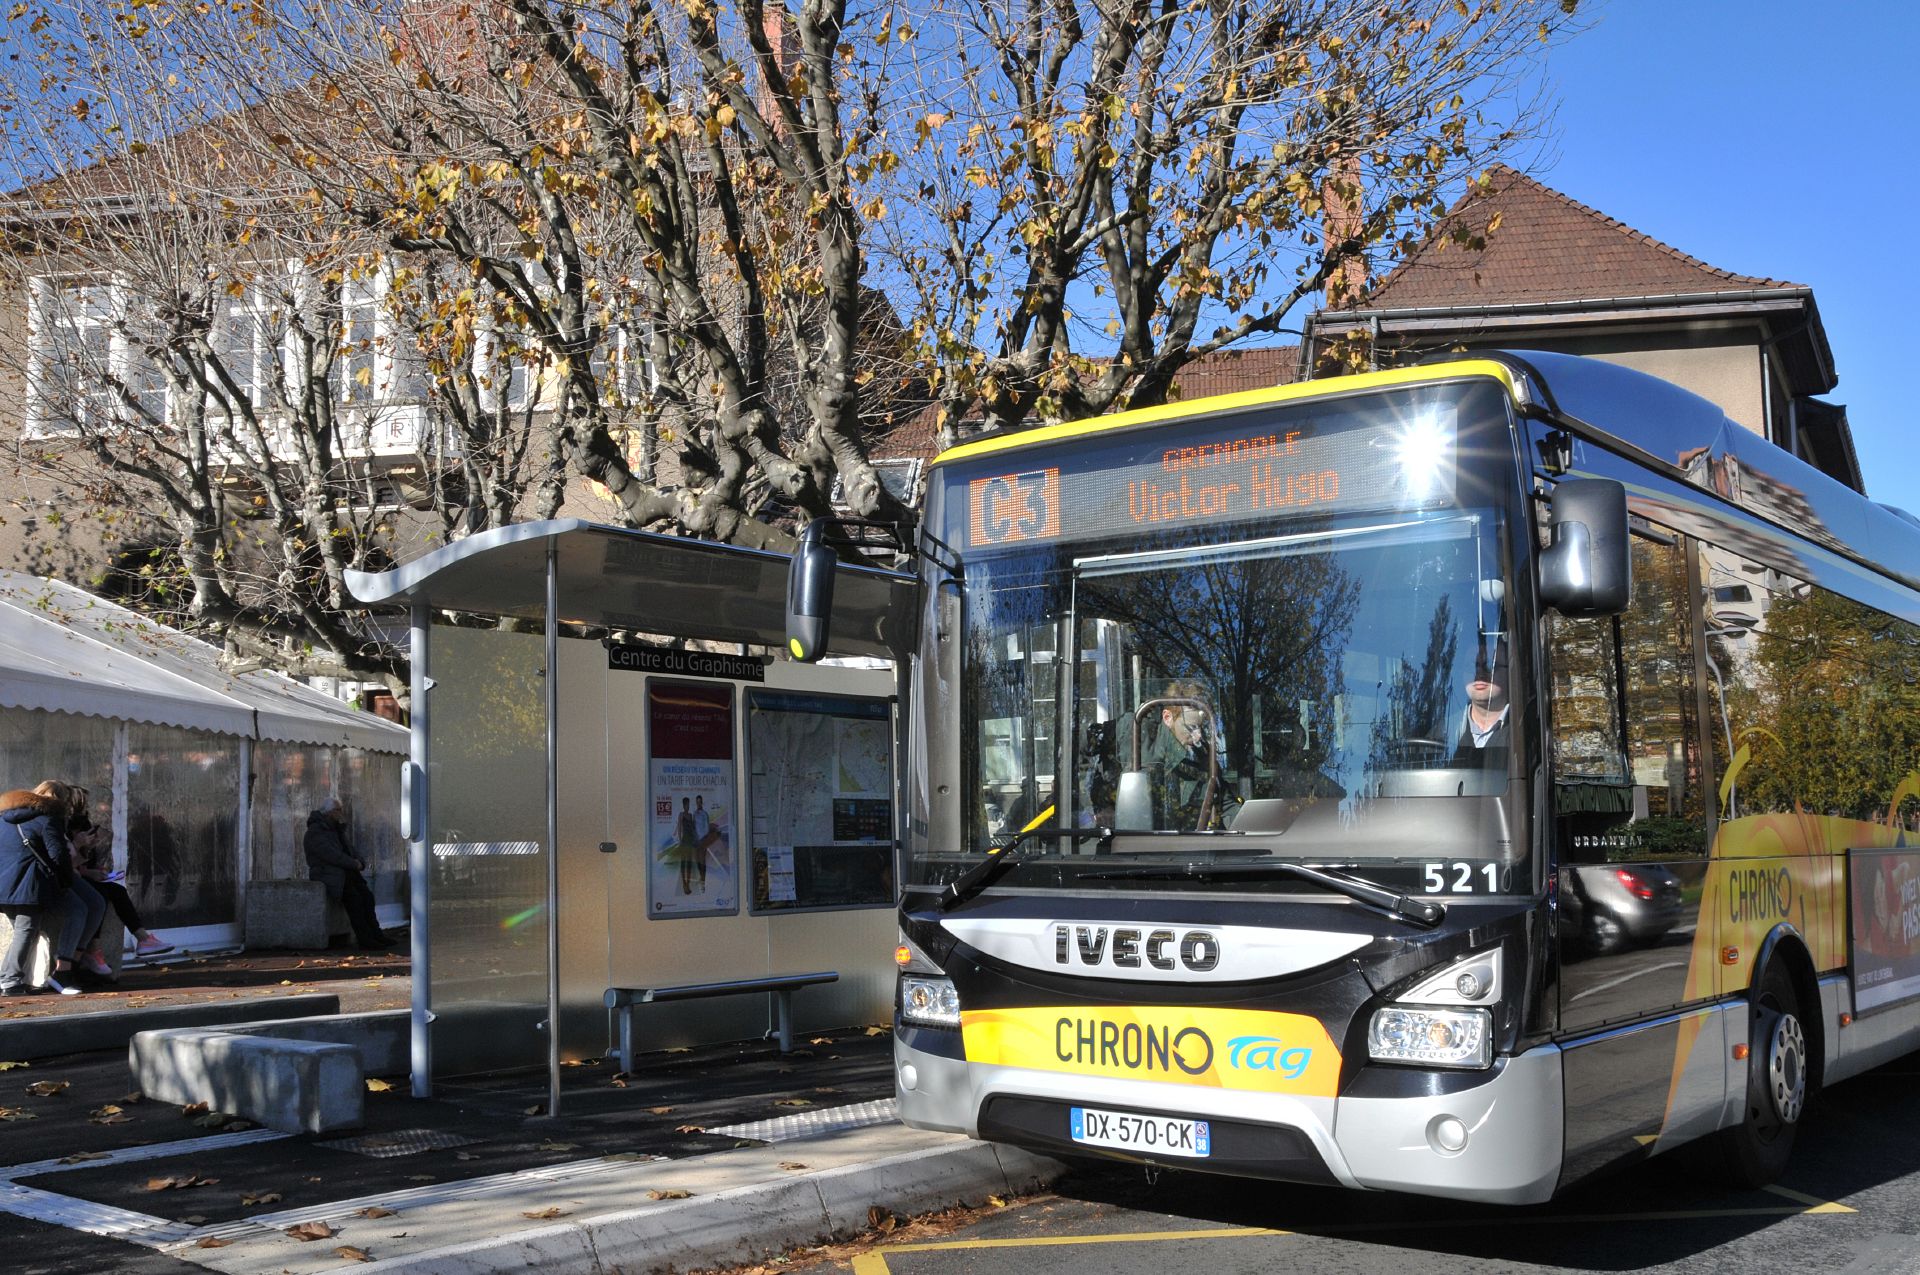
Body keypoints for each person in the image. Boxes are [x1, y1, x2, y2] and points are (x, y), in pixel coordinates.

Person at [0, 781, 101, 996]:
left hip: (4, 884)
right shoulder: (48, 819)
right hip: (30, 884)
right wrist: (65, 880)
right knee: (26, 930)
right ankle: (10, 980)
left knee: (23, 931)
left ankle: (11, 978)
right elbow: (58, 855)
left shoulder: (5, 817)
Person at [70, 808, 173, 963]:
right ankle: (94, 950)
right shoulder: (66, 839)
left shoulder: (86, 846)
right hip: (69, 881)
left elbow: (83, 866)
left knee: (117, 890)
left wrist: (94, 869)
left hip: (82, 878)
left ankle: (142, 938)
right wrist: (86, 871)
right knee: (99, 897)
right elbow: (67, 866)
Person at [304, 798, 393, 949]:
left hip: (343, 872)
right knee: (355, 900)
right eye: (338, 810)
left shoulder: (335, 829)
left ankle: (376, 934)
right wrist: (353, 863)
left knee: (367, 897)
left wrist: (359, 860)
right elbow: (331, 855)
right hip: (328, 874)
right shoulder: (316, 832)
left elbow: (349, 849)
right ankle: (365, 939)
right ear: (329, 812)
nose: (341, 813)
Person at [1454, 636, 1511, 758]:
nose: (1479, 674)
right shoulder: (1443, 732)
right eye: (1472, 666)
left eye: (1489, 665)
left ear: (1509, 671)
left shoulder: (1526, 730)